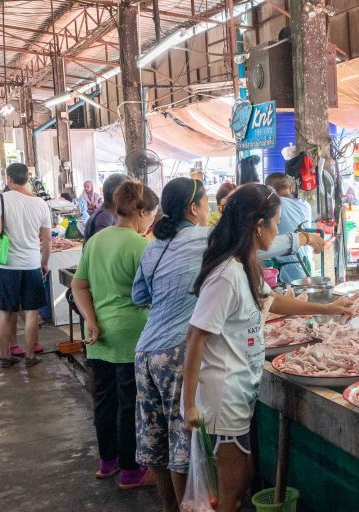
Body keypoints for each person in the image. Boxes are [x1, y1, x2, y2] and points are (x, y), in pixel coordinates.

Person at [182, 184, 351, 512]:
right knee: (230, 490)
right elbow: (195, 337)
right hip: (222, 394)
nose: (278, 231)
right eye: (275, 223)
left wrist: (328, 307)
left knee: (242, 477)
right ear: (258, 226)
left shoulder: (245, 265)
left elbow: (270, 301)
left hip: (239, 390)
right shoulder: (226, 275)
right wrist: (189, 404)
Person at [71, 180, 160, 489]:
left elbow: (78, 285)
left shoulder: (97, 240)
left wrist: (92, 321)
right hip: (130, 335)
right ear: (142, 211)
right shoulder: (141, 246)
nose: (151, 221)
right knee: (129, 403)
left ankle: (107, 462)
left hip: (98, 336)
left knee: (104, 400)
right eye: (151, 215)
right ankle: (131, 471)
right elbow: (152, 294)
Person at [132, 178, 209, 511]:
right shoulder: (205, 239)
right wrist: (303, 239)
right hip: (177, 352)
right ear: (193, 208)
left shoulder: (153, 245)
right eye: (207, 204)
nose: (210, 210)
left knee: (155, 441)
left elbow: (139, 296)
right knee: (181, 440)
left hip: (145, 352)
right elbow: (254, 243)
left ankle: (170, 508)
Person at [0, 163, 51, 367]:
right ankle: (29, 355)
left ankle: (6, 357)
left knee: (5, 312)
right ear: (27, 179)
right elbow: (47, 240)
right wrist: (44, 262)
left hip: (8, 265)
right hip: (32, 264)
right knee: (32, 311)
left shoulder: (0, 199)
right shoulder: (40, 203)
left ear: (8, 179)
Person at [264, 172, 313, 283]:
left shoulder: (275, 206)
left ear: (269, 191)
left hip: (288, 270)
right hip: (306, 266)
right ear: (290, 189)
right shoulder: (306, 205)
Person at [84, 173, 128, 240]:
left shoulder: (108, 214)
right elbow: (100, 246)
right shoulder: (105, 217)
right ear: (117, 195)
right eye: (129, 194)